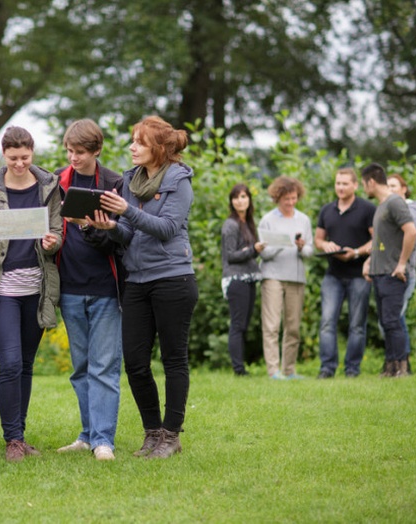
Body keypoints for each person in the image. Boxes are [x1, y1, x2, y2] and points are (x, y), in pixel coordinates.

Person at [87, 115, 198, 460]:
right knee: (135, 362)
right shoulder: (131, 181)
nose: (132, 147)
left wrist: (126, 212)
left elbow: (166, 228)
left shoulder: (179, 180)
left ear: (159, 149)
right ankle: (152, 433)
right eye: (132, 140)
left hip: (173, 279)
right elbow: (129, 235)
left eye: (140, 142)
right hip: (137, 281)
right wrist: (107, 226)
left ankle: (171, 435)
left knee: (173, 360)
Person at [0, 126, 63, 463]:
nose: (20, 164)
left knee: (25, 365)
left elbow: (56, 232)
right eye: (13, 159)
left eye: (25, 157)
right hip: (4, 290)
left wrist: (54, 242)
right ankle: (11, 439)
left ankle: (20, 435)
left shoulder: (49, 188)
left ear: (32, 153)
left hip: (36, 289)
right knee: (9, 363)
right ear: (3, 154)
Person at [53, 119, 123, 461]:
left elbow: (117, 242)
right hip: (69, 287)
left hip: (107, 288)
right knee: (81, 367)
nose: (73, 157)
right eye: (69, 150)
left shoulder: (113, 184)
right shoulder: (57, 180)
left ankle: (104, 440)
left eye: (80, 152)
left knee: (105, 367)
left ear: (96, 151)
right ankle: (87, 433)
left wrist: (87, 227)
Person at [315, 167, 376, 379]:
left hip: (359, 274)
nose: (340, 187)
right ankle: (327, 368)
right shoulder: (327, 210)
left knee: (357, 325)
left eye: (345, 183)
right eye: (337, 183)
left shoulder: (368, 209)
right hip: (333, 275)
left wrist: (357, 252)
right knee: (326, 322)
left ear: (355, 185)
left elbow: (377, 239)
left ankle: (352, 370)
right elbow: (318, 239)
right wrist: (327, 246)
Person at [361, 164, 416, 377]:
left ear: (371, 182)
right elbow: (380, 241)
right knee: (386, 321)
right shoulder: (381, 206)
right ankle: (390, 366)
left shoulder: (394, 202)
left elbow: (411, 232)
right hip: (379, 272)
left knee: (393, 321)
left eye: (364, 183)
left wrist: (402, 263)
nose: (364, 188)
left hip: (393, 273)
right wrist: (369, 263)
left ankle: (401, 368)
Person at [258, 176, 314, 380]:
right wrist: (282, 243)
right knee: (272, 325)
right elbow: (263, 253)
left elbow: (309, 251)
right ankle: (274, 371)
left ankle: (289, 370)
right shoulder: (267, 220)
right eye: (286, 199)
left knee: (293, 326)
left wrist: (301, 247)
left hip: (296, 277)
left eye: (294, 198)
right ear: (277, 198)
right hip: (272, 276)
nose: (290, 202)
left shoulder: (304, 220)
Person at [220, 184, 264, 376]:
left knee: (243, 324)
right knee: (237, 324)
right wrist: (254, 250)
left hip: (249, 278)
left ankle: (241, 366)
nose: (240, 201)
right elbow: (230, 255)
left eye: (244, 196)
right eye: (236, 197)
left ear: (249, 199)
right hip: (236, 278)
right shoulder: (230, 224)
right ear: (231, 202)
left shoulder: (248, 222)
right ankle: (239, 369)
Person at [387, 174, 416, 373]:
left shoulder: (410, 209)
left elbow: (413, 237)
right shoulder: (390, 210)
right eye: (388, 186)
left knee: (395, 319)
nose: (390, 189)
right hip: (390, 272)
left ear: (404, 188)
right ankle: (395, 363)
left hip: (404, 273)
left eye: (394, 186)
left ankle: (402, 363)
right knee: (393, 320)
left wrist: (401, 263)